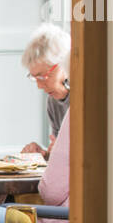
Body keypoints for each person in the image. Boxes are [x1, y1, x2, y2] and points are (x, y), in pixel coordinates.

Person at [19, 22, 71, 157]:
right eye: (35, 78)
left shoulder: (84, 96)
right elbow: (60, 154)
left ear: (63, 64)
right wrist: (44, 154)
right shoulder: (53, 102)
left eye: (42, 76)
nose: (39, 86)